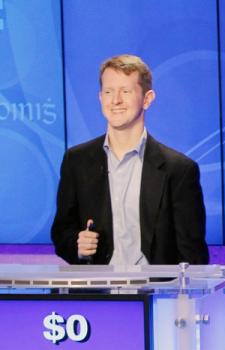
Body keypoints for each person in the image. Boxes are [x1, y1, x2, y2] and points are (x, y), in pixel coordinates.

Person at [51, 54, 209, 265]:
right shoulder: (76, 161)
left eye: (125, 91)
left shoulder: (179, 170)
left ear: (147, 99)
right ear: (100, 98)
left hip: (154, 294)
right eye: (108, 92)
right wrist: (77, 246)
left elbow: (192, 254)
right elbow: (62, 233)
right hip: (99, 295)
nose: (115, 100)